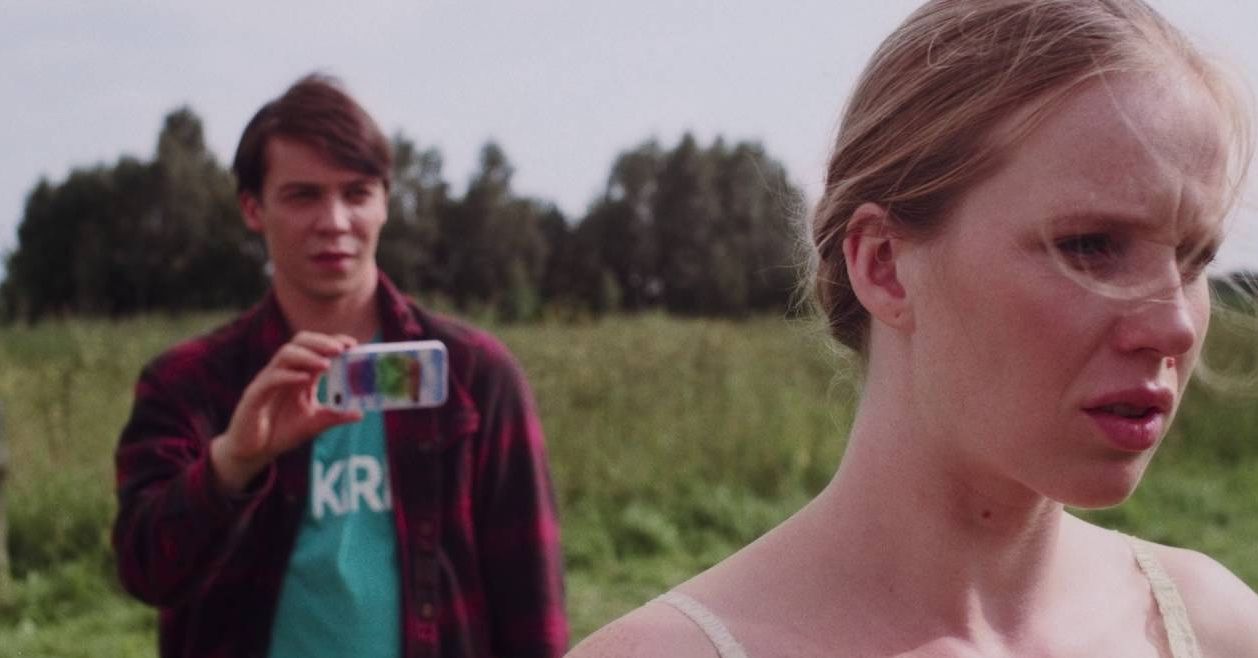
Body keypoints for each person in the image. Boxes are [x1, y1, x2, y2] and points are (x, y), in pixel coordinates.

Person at [570, 1, 1258, 656]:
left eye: (1194, 257)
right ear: (885, 266)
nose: (1174, 326)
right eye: (1090, 246)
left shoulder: (1218, 629)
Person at [112, 74, 568, 658]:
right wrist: (231, 464)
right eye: (303, 195)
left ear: (384, 203)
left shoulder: (477, 376)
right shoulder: (187, 384)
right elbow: (145, 572)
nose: (334, 221)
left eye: (357, 193)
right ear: (252, 208)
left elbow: (532, 605)